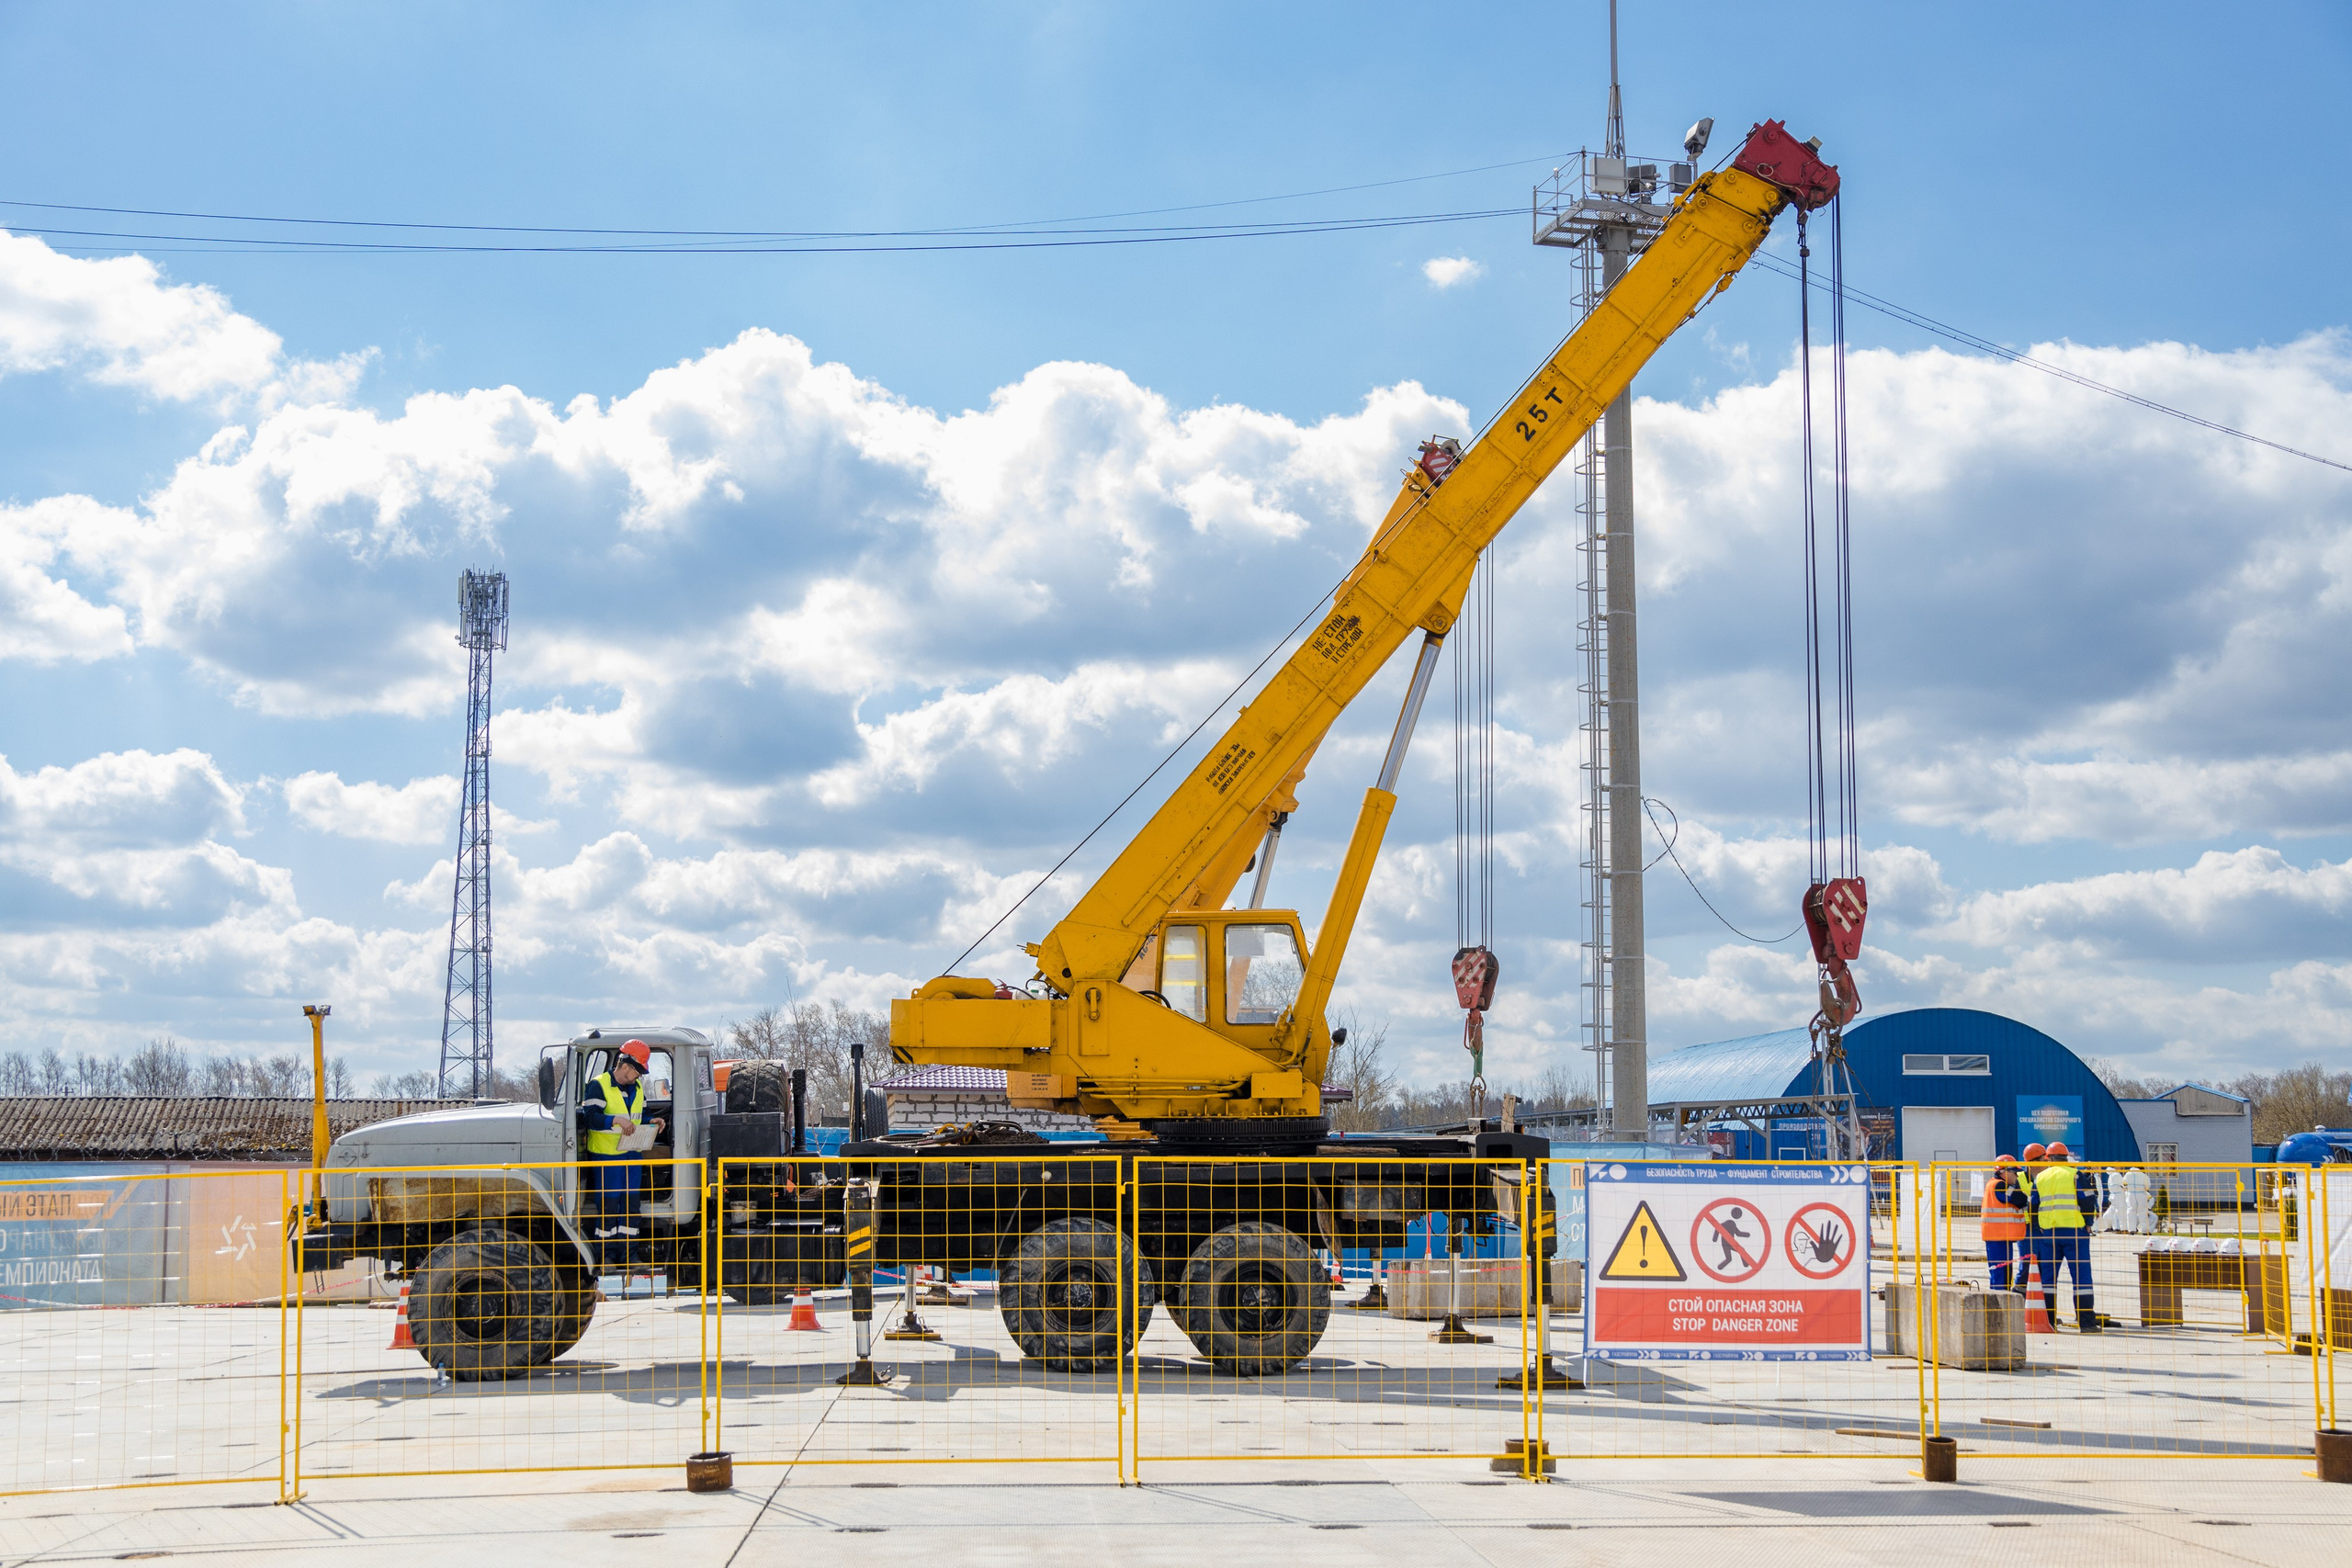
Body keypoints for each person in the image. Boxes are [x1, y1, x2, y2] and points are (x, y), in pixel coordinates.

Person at [579, 1039, 666, 1271]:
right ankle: (606, 1257)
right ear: (624, 1064)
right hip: (607, 1157)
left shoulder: (636, 1089)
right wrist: (615, 1120)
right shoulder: (599, 1085)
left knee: (630, 1208)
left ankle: (630, 1256)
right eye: (637, 1071)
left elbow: (641, 1114)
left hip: (632, 1156)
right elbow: (591, 1118)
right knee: (608, 1208)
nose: (639, 1076)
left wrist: (652, 1120)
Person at [2028, 1141, 2099, 1332]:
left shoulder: (2041, 1177)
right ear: (2065, 1157)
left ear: (2048, 1158)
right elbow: (2088, 1199)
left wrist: (2038, 1226)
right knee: (2081, 1278)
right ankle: (2086, 1323)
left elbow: (2033, 1205)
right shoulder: (2075, 1174)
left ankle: (2049, 1321)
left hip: (2049, 1234)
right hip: (2075, 1232)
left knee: (2048, 1280)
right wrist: (2088, 1223)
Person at [1981, 1155, 2030, 1292]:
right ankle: (1999, 1304)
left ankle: (2001, 1301)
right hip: (1997, 1236)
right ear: (2004, 1171)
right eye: (2014, 1172)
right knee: (2000, 1273)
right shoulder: (2000, 1186)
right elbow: (2019, 1199)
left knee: (2003, 1272)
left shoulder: (1996, 1184)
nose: (2016, 1176)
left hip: (1999, 1236)